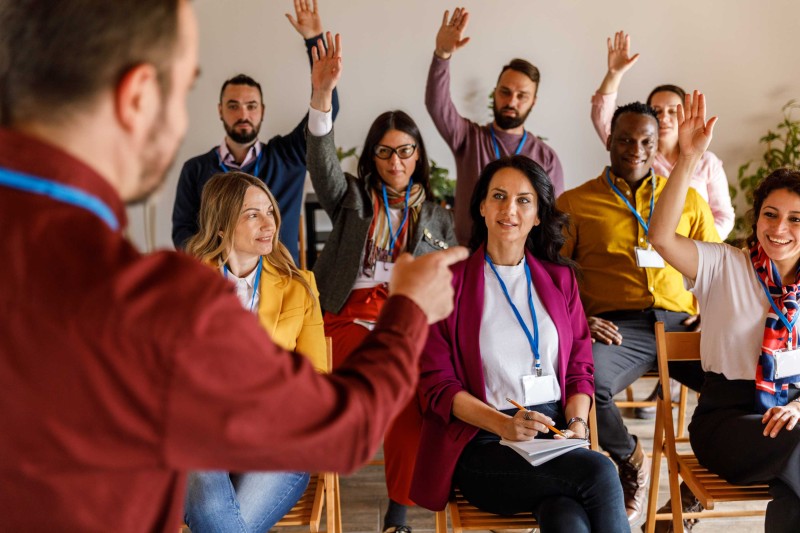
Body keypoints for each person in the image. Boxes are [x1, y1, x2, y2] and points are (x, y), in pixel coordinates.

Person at [0, 2, 468, 531]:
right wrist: (407, 310)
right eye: (184, 90)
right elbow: (345, 429)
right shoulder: (161, 301)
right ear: (137, 98)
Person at [410, 155, 627, 532]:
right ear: (481, 206)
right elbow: (436, 386)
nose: (509, 209)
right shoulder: (445, 281)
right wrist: (502, 425)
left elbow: (579, 365)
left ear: (539, 214)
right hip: (485, 443)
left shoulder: (561, 279)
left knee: (567, 519)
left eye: (524, 200)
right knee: (599, 471)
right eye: (498, 196)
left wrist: (577, 422)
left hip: (554, 435)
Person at [306, 33, 457, 533]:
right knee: (370, 385)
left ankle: (398, 512)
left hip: (402, 318)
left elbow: (444, 282)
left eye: (406, 152)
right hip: (345, 315)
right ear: (372, 157)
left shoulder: (436, 216)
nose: (396, 162)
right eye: (386, 153)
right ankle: (306, 472)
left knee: (411, 394)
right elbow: (322, 161)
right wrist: (322, 97)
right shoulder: (349, 198)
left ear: (418, 156)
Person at [556, 101, 720, 527]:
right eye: (626, 139)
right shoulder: (575, 202)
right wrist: (579, 321)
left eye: (646, 140)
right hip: (617, 328)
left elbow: (716, 267)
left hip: (683, 324)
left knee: (742, 383)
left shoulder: (688, 199)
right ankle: (630, 458)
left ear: (657, 144)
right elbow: (554, 277)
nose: (636, 148)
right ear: (609, 140)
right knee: (585, 386)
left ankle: (695, 489)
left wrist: (712, 309)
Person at [649, 90, 800, 533]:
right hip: (728, 421)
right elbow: (661, 238)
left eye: (796, 219)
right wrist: (689, 158)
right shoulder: (723, 263)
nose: (779, 228)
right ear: (755, 218)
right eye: (770, 214)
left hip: (791, 414)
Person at [183, 172, 327, 532]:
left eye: (270, 212)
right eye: (252, 214)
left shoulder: (300, 287)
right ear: (221, 226)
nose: (269, 224)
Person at [171, 0, 340, 262]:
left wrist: (313, 40)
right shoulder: (195, 170)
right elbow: (182, 234)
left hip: (281, 284)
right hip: (222, 284)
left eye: (251, 106)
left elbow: (326, 111)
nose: (243, 114)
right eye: (233, 106)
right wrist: (217, 261)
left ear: (262, 110)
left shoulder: (288, 156)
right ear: (220, 111)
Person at [426, 7, 564, 245]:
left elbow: (553, 219)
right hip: (471, 255)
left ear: (533, 101)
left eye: (522, 95)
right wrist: (442, 55)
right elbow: (437, 105)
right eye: (505, 92)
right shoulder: (468, 138)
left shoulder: (546, 157)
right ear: (495, 93)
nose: (512, 101)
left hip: (524, 262)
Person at [590, 31, 734, 239]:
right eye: (657, 111)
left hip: (693, 256)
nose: (665, 118)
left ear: (686, 114)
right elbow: (601, 118)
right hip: (640, 245)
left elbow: (724, 216)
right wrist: (614, 74)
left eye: (673, 111)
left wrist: (693, 245)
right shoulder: (636, 153)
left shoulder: (706, 163)